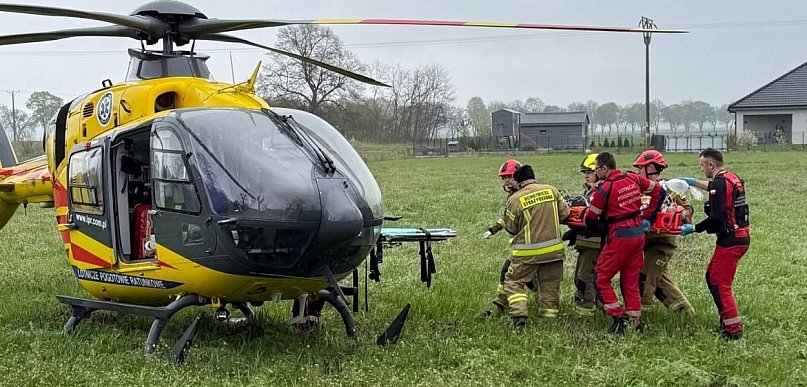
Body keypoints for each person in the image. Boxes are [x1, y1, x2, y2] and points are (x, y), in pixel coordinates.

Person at [585, 152, 663, 333]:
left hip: (620, 237)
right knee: (630, 280)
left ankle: (618, 317)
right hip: (638, 234)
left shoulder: (604, 189)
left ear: (604, 168)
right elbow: (659, 191)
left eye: (596, 169)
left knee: (600, 279)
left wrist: (596, 229)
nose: (595, 172)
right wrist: (648, 218)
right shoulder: (633, 177)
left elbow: (591, 219)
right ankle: (634, 321)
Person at [678, 148, 750, 340]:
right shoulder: (731, 178)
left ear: (710, 164)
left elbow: (716, 218)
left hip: (731, 240)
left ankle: (733, 330)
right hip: (740, 236)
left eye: (702, 165)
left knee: (719, 283)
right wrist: (693, 183)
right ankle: (726, 322)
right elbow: (714, 186)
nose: (701, 169)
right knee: (712, 277)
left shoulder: (720, 183)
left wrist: (694, 228)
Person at [501, 164, 570, 327]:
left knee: (513, 282)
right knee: (549, 286)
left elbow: (511, 228)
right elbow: (565, 214)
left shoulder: (514, 199)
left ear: (518, 182)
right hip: (554, 252)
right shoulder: (552, 190)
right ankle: (549, 320)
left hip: (527, 254)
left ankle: (519, 316)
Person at [633, 150, 695, 315]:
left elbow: (688, 212)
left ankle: (639, 315)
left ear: (652, 169)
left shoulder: (670, 190)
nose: (639, 172)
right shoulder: (637, 189)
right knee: (658, 278)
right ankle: (684, 312)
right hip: (644, 241)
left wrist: (681, 213)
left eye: (641, 168)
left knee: (646, 277)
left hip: (662, 243)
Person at [483, 159, 525, 317]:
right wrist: (493, 230)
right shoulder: (512, 194)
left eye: (510, 176)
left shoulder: (522, 194)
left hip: (526, 244)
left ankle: (504, 305)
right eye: (504, 177)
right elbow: (506, 217)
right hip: (521, 244)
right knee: (511, 273)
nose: (507, 180)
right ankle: (501, 303)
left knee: (509, 272)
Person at [561, 153, 602, 317]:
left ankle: (586, 311)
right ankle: (602, 307)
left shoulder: (601, 191)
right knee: (587, 277)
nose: (586, 175)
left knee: (585, 278)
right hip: (587, 242)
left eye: (589, 172)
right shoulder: (589, 191)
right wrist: (575, 231)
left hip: (595, 243)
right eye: (585, 172)